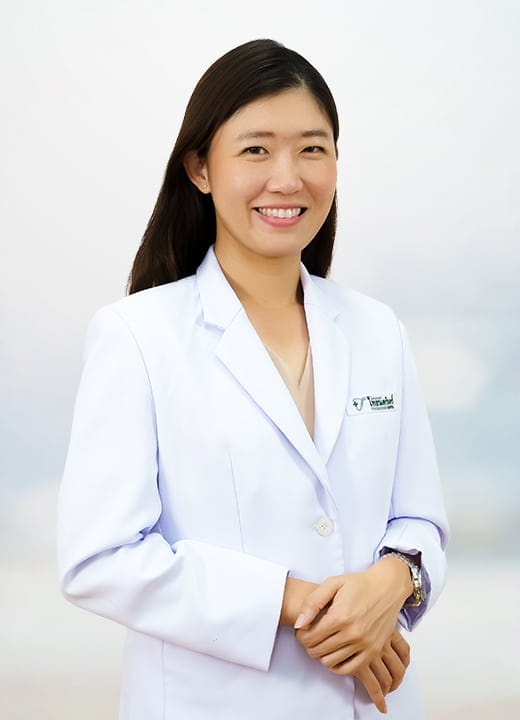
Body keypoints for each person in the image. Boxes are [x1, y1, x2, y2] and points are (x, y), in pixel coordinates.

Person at [58, 39, 449, 720]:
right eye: (256, 150)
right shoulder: (137, 335)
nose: (287, 178)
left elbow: (420, 520)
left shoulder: (376, 329)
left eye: (312, 149)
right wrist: (298, 601)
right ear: (199, 168)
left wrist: (395, 580)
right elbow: (100, 559)